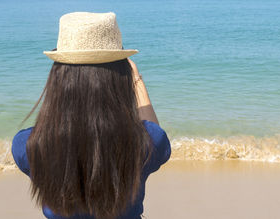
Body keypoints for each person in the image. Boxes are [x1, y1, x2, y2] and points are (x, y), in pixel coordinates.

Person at [11, 12, 171, 219]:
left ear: (57, 80)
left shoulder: (28, 145)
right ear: (120, 78)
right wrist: (137, 80)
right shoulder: (144, 142)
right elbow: (156, 135)